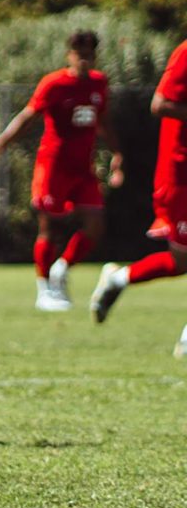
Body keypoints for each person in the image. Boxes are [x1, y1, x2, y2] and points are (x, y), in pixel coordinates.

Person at [0, 30, 124, 311]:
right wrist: (0, 144)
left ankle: (62, 268)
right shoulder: (54, 84)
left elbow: (103, 121)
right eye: (79, 54)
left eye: (89, 55)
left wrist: (117, 152)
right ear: (69, 55)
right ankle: (44, 289)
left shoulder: (98, 83)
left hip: (83, 168)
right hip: (54, 167)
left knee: (95, 224)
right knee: (50, 228)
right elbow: (28, 116)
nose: (84, 60)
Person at [92, 37, 187, 355]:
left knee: (181, 261)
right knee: (182, 259)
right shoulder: (185, 52)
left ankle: (119, 278)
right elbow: (160, 104)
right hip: (180, 173)